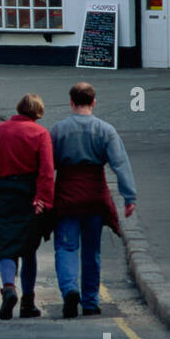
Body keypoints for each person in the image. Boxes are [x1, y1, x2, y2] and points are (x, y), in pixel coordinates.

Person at [50, 82, 138, 318]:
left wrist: (42, 198)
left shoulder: (58, 130)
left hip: (67, 193)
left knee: (66, 247)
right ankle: (90, 301)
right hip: (95, 195)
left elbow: (48, 168)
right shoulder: (106, 130)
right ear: (93, 102)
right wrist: (129, 196)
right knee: (92, 250)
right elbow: (120, 164)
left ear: (71, 102)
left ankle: (70, 289)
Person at [0, 93, 55, 320]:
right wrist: (44, 200)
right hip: (29, 195)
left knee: (5, 245)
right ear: (38, 112)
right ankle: (28, 303)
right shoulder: (40, 133)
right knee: (28, 249)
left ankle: (8, 288)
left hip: (4, 193)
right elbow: (46, 171)